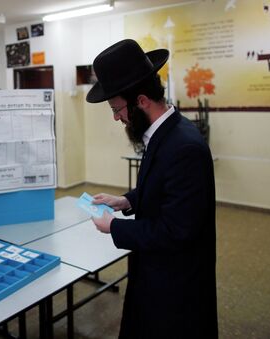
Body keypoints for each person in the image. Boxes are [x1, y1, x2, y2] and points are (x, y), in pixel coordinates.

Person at [86, 39, 218, 338]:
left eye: (117, 108)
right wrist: (125, 201)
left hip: (176, 286)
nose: (116, 116)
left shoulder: (184, 147)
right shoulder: (163, 134)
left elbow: (176, 230)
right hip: (156, 273)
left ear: (142, 101)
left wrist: (115, 227)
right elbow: (164, 191)